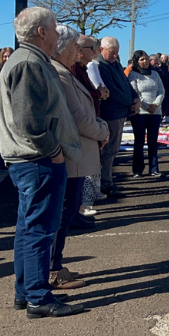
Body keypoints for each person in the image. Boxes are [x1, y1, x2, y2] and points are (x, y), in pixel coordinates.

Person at [0, 7, 84, 318]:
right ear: (42, 32)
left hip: (31, 159)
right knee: (39, 230)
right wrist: (54, 152)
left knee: (29, 227)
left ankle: (26, 292)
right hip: (36, 159)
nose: (58, 33)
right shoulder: (29, 63)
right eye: (53, 26)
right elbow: (29, 121)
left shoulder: (28, 60)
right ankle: (37, 297)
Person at [50, 25, 109, 288]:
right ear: (63, 46)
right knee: (62, 213)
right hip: (71, 153)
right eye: (76, 45)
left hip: (78, 151)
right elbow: (77, 117)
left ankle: (56, 264)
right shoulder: (59, 75)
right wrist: (101, 130)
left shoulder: (67, 72)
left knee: (68, 209)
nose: (80, 50)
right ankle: (52, 269)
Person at [98, 36, 140, 197]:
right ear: (102, 50)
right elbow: (112, 91)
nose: (115, 56)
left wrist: (135, 97)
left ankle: (107, 181)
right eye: (112, 52)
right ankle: (106, 183)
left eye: (117, 53)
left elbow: (126, 83)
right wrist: (130, 101)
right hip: (111, 112)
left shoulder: (114, 63)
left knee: (113, 149)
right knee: (110, 149)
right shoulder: (100, 66)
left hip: (121, 111)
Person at [73, 35, 107, 218]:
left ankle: (83, 207)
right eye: (91, 48)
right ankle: (81, 209)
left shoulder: (82, 68)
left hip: (92, 119)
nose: (95, 52)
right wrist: (98, 93)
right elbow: (81, 98)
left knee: (89, 168)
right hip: (83, 126)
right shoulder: (73, 69)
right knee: (83, 171)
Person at [128, 50, 165, 177]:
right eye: (142, 59)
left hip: (156, 112)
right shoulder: (133, 74)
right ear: (137, 61)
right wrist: (146, 106)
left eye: (146, 59)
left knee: (153, 141)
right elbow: (134, 93)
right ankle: (138, 169)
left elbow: (161, 90)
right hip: (140, 112)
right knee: (139, 141)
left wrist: (155, 105)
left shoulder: (155, 74)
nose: (145, 61)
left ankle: (154, 168)